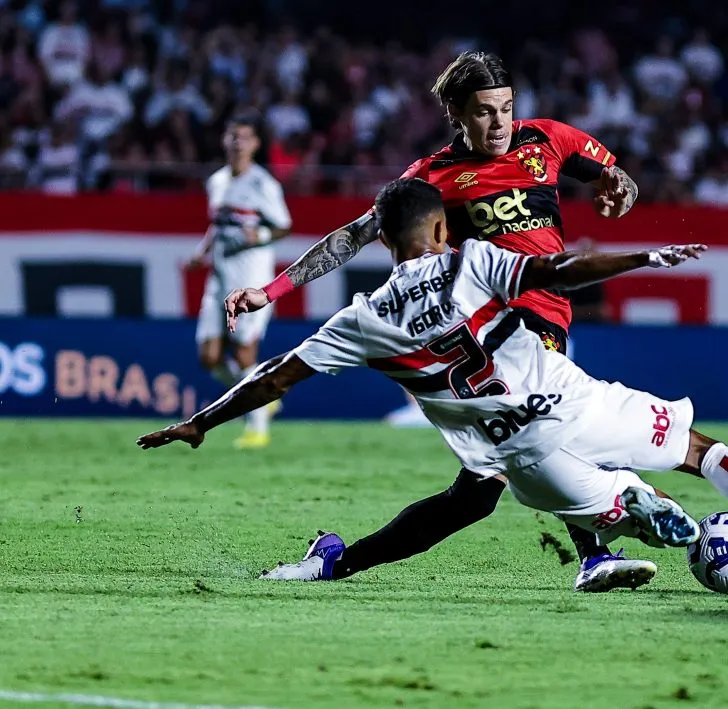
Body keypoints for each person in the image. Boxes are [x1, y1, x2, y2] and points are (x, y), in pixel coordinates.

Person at [138, 177, 728, 587]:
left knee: (523, 498)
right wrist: (640, 257)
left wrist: (204, 419)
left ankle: (630, 514)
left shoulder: (359, 320)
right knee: (698, 447)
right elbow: (559, 270)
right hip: (577, 398)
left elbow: (277, 374)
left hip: (519, 451)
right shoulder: (471, 260)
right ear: (441, 229)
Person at [224, 51, 653, 592]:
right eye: (483, 112)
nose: (499, 123)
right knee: (546, 433)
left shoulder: (547, 139)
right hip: (497, 327)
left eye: (506, 108)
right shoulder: (432, 176)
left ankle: (334, 561)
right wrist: (271, 288)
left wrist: (620, 189)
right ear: (455, 112)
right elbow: (353, 235)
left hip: (550, 317)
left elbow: (616, 177)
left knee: (472, 500)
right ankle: (598, 553)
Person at [187, 111, 292, 449]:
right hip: (218, 278)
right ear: (224, 140)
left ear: (256, 144)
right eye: (233, 136)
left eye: (245, 137)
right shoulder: (216, 181)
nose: (237, 143)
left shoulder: (264, 184)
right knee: (209, 357)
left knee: (245, 353)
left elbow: (283, 226)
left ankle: (258, 428)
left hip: (251, 280)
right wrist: (202, 252)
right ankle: (263, 396)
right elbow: (217, 223)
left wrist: (258, 234)